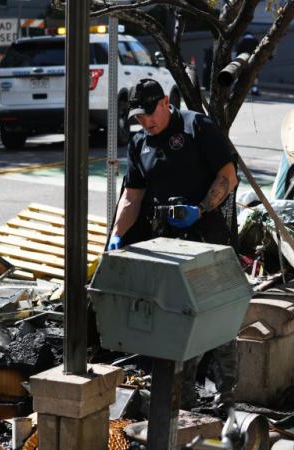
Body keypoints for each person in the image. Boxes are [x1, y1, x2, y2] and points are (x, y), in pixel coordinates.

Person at [108, 78, 240, 411]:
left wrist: (201, 209)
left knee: (217, 319)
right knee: (177, 321)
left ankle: (227, 398)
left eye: (150, 114)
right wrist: (116, 238)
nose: (145, 122)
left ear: (166, 103)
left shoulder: (198, 126)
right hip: (166, 245)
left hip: (207, 238)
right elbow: (131, 197)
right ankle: (184, 400)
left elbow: (228, 174)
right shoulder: (139, 143)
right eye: (139, 117)